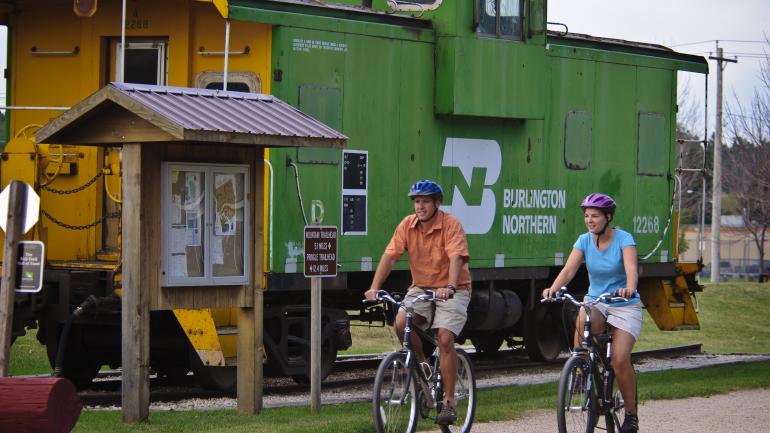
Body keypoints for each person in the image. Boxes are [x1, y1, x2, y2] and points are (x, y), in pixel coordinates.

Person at [364, 179, 472, 426]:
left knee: (445, 337)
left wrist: (451, 287)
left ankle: (448, 401)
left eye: (424, 201)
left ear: (437, 203)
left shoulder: (450, 224)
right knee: (402, 324)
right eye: (416, 201)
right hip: (421, 287)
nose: (419, 206)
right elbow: (390, 256)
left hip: (453, 289)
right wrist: (374, 287)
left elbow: (456, 257)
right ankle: (423, 366)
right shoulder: (407, 225)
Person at [542, 193, 641, 433]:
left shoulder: (624, 239)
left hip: (623, 304)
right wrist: (552, 290)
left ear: (608, 217)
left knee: (619, 360)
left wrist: (629, 288)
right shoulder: (584, 241)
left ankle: (631, 414)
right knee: (584, 314)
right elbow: (568, 270)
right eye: (586, 216)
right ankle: (580, 368)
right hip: (597, 301)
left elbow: (631, 268)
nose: (589, 220)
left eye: (595, 216)